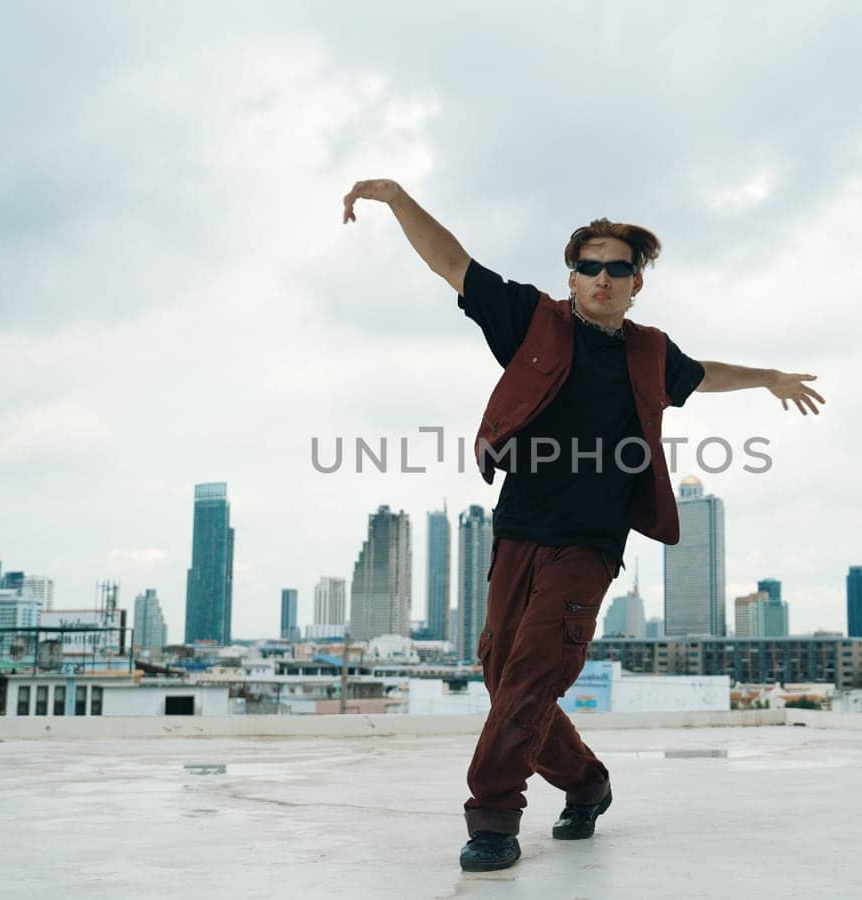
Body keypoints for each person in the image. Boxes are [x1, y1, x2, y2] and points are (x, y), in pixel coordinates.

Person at [341, 179, 825, 873]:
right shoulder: (532, 321)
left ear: (636, 284)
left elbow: (703, 376)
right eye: (590, 265)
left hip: (590, 544)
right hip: (517, 530)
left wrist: (771, 376)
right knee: (501, 671)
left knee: (537, 671)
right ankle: (587, 783)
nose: (603, 277)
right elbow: (453, 263)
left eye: (618, 268)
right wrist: (394, 197)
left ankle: (495, 817)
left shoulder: (651, 352)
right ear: (571, 276)